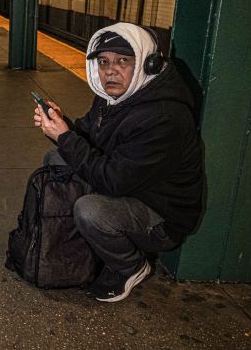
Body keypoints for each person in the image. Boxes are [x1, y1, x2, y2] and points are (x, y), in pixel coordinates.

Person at [33, 22, 203, 303]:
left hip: (161, 215)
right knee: (57, 158)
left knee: (90, 210)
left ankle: (130, 266)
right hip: (130, 187)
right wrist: (64, 128)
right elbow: (87, 137)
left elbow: (112, 181)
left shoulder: (163, 117)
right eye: (103, 62)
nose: (110, 70)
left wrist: (65, 137)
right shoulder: (113, 97)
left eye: (123, 61)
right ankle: (88, 240)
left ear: (147, 64)